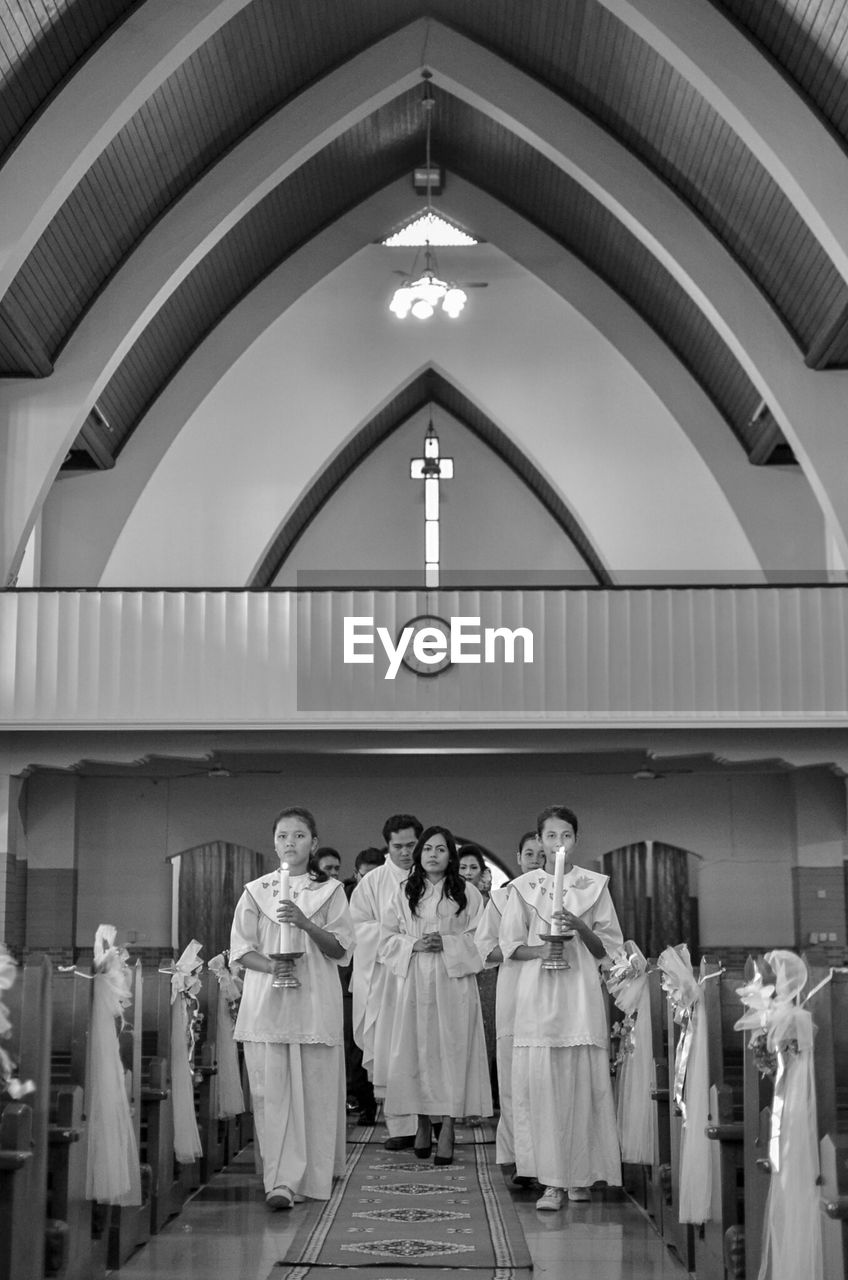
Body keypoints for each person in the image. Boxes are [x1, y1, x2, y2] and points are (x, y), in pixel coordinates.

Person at [230, 806, 355, 1209]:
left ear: (313, 844)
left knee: (315, 1091)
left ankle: (315, 1177)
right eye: (283, 836)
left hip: (315, 1002)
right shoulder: (255, 891)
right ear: (274, 842)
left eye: (299, 836)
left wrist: (304, 922)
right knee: (272, 1093)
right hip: (268, 1005)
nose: (290, 843)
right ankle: (280, 1181)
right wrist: (273, 966)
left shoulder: (331, 892)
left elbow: (340, 949)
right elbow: (240, 951)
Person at [500, 805, 623, 1212]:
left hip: (580, 997)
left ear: (576, 839)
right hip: (538, 998)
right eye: (550, 837)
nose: (558, 844)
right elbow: (508, 946)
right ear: (540, 840)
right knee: (542, 1089)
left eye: (565, 836)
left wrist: (581, 927)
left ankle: (581, 1174)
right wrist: (542, 948)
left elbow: (610, 949)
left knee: (582, 1086)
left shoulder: (594, 885)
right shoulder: (522, 887)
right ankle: (550, 1180)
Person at [378, 825, 493, 1165]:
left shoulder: (467, 893)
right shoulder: (403, 892)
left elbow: (482, 940)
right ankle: (423, 1122)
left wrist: (447, 942)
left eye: (440, 849)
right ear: (419, 854)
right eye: (427, 848)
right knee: (417, 1051)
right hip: (414, 980)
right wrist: (413, 943)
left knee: (451, 1053)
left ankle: (448, 1127)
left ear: (450, 856)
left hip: (452, 981)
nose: (432, 854)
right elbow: (385, 939)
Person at [475, 830, 546, 1179]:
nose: (536, 860)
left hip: (550, 997)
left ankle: (547, 1157)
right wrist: (518, 945)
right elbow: (484, 951)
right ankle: (519, 1157)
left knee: (543, 1079)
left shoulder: (562, 898)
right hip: (514, 995)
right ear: (518, 857)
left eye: (542, 854)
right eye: (529, 854)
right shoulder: (502, 899)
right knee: (513, 1079)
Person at [349, 814, 422, 1149]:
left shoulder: (433, 877)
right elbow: (357, 928)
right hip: (387, 979)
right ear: (387, 846)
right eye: (398, 846)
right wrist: (399, 938)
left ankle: (431, 1123)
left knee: (425, 1049)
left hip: (425, 977)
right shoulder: (373, 881)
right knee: (394, 1051)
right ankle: (401, 1127)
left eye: (411, 845)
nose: (406, 852)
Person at [340, 847, 385, 1126]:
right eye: (364, 876)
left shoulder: (394, 893)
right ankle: (365, 1104)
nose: (368, 881)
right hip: (353, 979)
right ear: (356, 874)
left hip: (388, 976)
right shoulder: (345, 899)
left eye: (374, 876)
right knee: (356, 1044)